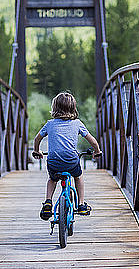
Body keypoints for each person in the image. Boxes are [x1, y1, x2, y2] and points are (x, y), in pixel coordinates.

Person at [32, 92, 102, 221]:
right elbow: (92, 140)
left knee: (52, 179)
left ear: (55, 107)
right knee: (78, 176)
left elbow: (37, 139)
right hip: (71, 162)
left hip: (53, 162)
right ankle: (81, 204)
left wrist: (37, 151)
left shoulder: (50, 124)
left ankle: (48, 202)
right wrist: (97, 151)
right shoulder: (77, 123)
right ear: (73, 108)